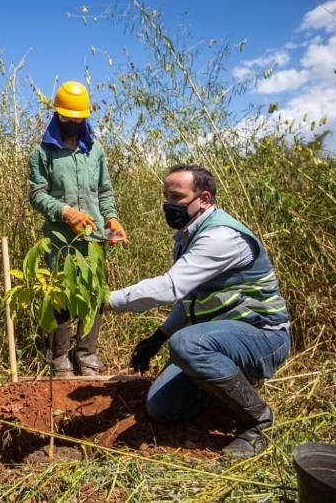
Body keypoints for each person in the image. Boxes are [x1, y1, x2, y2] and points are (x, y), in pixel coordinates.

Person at [105, 164, 290, 457]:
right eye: (165, 196)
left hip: (262, 337)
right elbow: (190, 297)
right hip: (221, 338)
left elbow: (171, 287)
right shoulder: (189, 233)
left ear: (204, 198)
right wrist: (159, 336)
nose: (168, 204)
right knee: (161, 407)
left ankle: (257, 421)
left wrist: (105, 301)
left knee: (187, 344)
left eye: (176, 197)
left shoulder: (221, 237)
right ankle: (225, 391)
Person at [28, 81, 127, 377]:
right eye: (67, 117)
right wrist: (65, 211)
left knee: (93, 293)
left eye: (78, 117)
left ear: (85, 116)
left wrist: (112, 219)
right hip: (59, 240)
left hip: (94, 237)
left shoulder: (95, 150)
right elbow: (37, 195)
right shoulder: (42, 153)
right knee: (60, 295)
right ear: (57, 114)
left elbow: (105, 191)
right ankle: (59, 359)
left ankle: (87, 355)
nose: (72, 122)